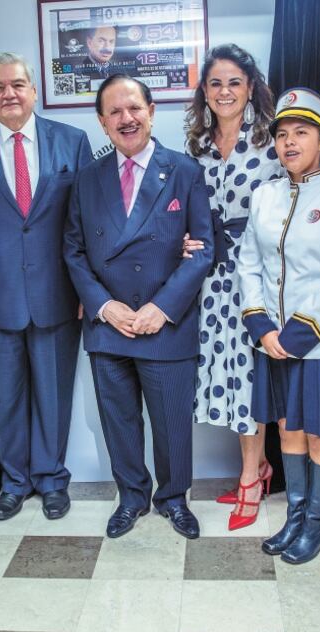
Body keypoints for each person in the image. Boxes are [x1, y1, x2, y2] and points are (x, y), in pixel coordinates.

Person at [183, 43, 320, 530]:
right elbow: (187, 206)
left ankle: (253, 478)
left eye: (235, 82)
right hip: (213, 277)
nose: (225, 91)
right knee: (233, 378)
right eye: (216, 82)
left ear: (251, 88)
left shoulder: (271, 136)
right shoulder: (196, 144)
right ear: (205, 90)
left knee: (253, 378)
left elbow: (305, 196)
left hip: (264, 281)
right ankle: (262, 469)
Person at [64, 74, 214, 539]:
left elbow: (204, 247)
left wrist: (163, 307)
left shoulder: (184, 171)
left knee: (172, 424)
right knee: (119, 422)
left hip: (166, 323)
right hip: (110, 325)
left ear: (151, 111)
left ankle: (173, 498)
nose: (126, 119)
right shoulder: (87, 178)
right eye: (115, 112)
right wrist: (105, 306)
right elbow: (73, 249)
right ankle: (131, 497)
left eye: (134, 108)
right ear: (102, 122)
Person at [0, 52, 92, 522]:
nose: (8, 93)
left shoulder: (71, 141)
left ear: (33, 89)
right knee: (5, 400)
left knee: (54, 396)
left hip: (58, 297)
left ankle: (51, 479)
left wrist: (86, 294)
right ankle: (14, 482)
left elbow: (87, 223)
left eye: (17, 84)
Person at [239, 88, 320, 558]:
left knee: (319, 432)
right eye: (282, 134)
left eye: (302, 133)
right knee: (286, 428)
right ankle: (295, 517)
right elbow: (248, 263)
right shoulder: (266, 196)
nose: (289, 142)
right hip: (272, 340)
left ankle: (318, 523)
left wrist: (298, 333)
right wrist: (262, 327)